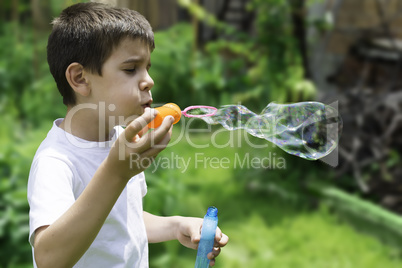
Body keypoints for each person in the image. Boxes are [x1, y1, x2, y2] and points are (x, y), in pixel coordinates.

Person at [27, 2, 228, 267]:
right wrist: (116, 171)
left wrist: (175, 225)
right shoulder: (56, 162)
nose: (149, 80)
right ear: (80, 79)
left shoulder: (122, 140)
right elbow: (49, 258)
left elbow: (122, 220)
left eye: (147, 67)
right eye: (131, 69)